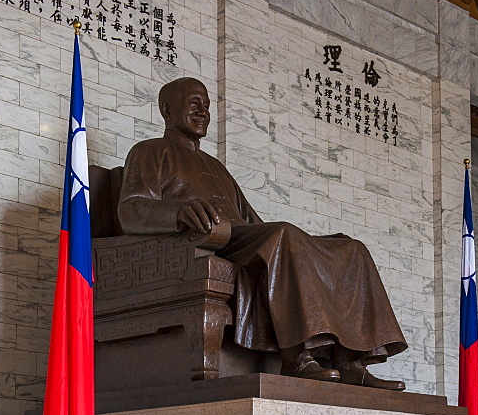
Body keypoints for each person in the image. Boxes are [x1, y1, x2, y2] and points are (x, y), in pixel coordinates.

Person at [118, 77, 407, 388]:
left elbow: (252, 221)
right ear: (167, 110)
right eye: (194, 104)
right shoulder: (150, 152)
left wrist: (311, 247)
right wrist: (178, 212)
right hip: (207, 241)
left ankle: (351, 360)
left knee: (351, 249)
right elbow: (131, 210)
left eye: (206, 106)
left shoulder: (216, 166)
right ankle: (295, 359)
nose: (203, 112)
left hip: (241, 237)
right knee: (284, 235)